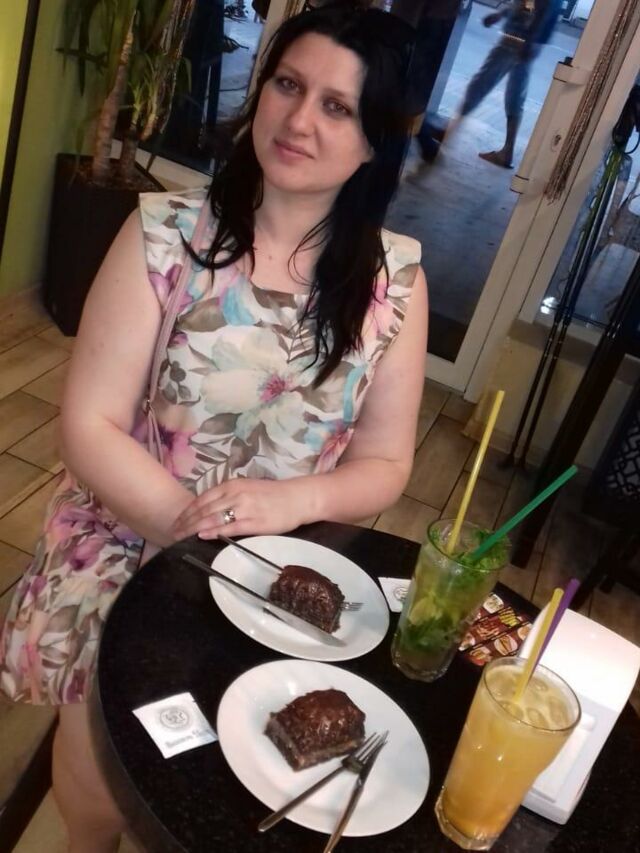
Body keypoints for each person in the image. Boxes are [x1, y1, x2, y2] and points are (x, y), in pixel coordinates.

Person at [0, 4, 426, 851]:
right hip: (132, 533)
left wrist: (295, 501)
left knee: (259, 784)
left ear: (375, 141)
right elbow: (89, 424)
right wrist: (195, 541)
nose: (299, 120)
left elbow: (385, 461)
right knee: (103, 784)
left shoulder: (395, 282)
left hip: (281, 571)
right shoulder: (164, 235)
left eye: (337, 106)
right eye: (288, 85)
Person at [452, 0, 562, 168]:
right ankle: (507, 151)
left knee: (480, 83)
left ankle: (450, 130)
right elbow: (528, 4)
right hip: (526, 41)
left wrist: (529, 38)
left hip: (517, 38)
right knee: (515, 96)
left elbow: (537, 6)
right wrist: (501, 15)